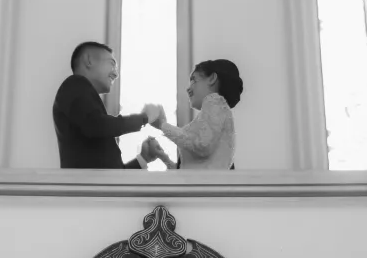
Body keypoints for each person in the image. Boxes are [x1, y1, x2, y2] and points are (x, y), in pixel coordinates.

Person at [53, 41, 163, 169]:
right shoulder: (74, 84)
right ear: (89, 60)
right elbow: (96, 124)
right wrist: (143, 118)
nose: (116, 74)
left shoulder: (85, 108)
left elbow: (113, 174)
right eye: (111, 63)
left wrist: (144, 158)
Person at [142, 59, 242, 170]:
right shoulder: (215, 111)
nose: (188, 88)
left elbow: (202, 146)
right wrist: (163, 156)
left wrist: (163, 125)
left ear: (212, 78)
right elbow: (188, 172)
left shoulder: (214, 101)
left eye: (193, 80)